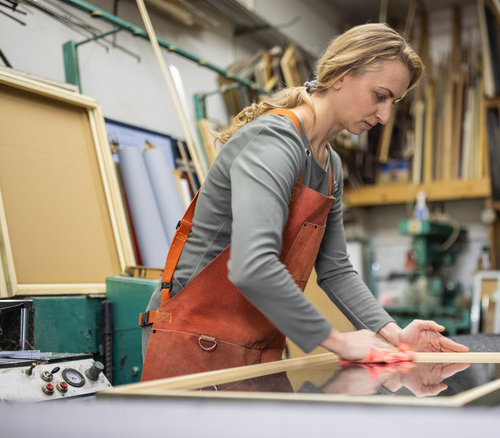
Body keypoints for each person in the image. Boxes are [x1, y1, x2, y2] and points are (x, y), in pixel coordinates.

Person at [140, 22, 468, 382]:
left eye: (393, 102)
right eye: (380, 95)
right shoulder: (274, 141)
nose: (385, 116)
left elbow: (336, 270)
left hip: (257, 343)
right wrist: (339, 342)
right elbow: (253, 265)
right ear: (342, 74)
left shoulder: (331, 166)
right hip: (192, 339)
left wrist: (393, 334)